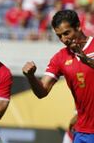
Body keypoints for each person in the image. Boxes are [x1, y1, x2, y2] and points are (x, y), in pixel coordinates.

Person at [22, 9, 94, 143]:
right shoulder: (60, 58)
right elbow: (42, 92)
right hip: (84, 132)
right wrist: (31, 77)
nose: (64, 39)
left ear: (78, 26)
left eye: (67, 33)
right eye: (59, 36)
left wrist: (88, 61)